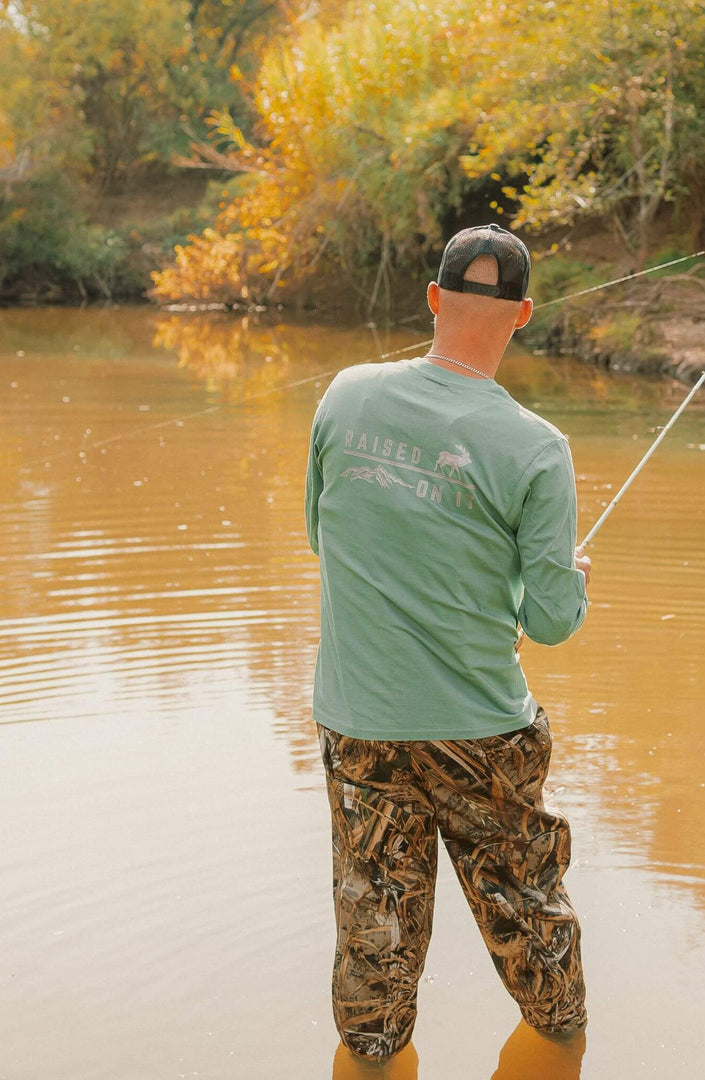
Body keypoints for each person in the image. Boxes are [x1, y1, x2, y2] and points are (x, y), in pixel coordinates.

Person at [305, 223, 591, 1063]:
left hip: (361, 731)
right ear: (525, 314)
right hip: (484, 739)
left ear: (433, 299)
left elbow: (327, 541)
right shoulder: (538, 448)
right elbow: (550, 623)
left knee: (373, 964)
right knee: (542, 959)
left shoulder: (344, 396)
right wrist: (570, 578)